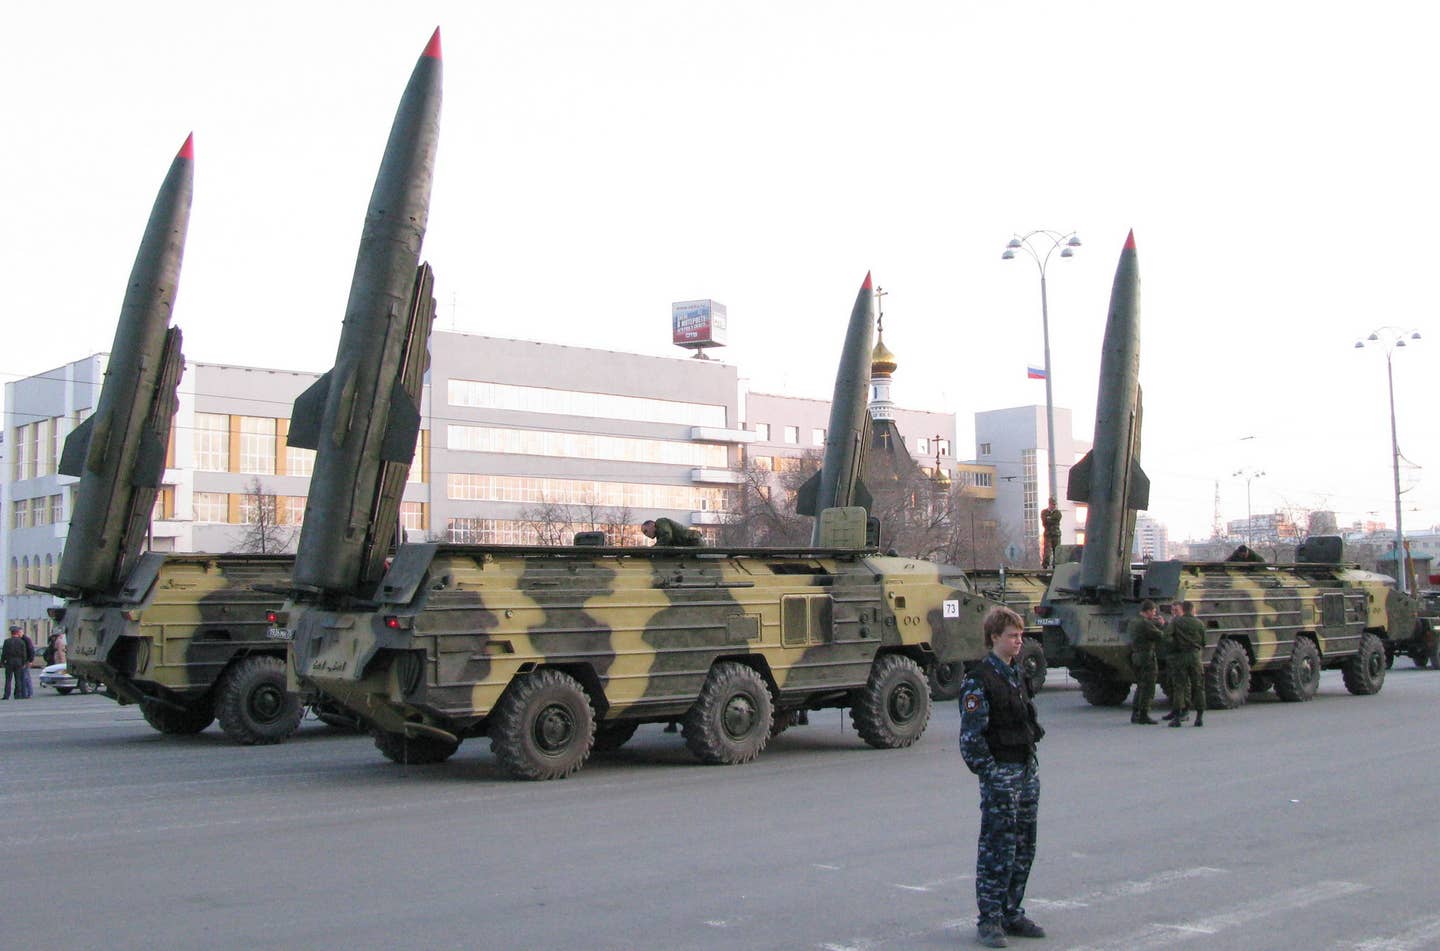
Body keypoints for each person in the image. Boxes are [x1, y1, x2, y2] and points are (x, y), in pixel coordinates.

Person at [959, 606, 1046, 947]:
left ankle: (1012, 911)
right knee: (998, 846)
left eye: (1020, 636)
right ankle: (990, 918)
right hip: (1001, 772)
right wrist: (991, 774)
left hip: (1024, 769)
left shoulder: (1016, 673)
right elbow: (971, 738)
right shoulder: (980, 679)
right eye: (1012, 636)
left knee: (1024, 844)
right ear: (994, 637)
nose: (1018, 642)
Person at [1165, 601, 1207, 727]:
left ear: (1183, 609)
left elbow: (1166, 636)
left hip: (1181, 656)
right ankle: (1199, 717)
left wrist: (1175, 645)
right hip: (1195, 656)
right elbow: (1204, 642)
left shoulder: (1176, 622)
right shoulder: (1199, 623)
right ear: (1192, 609)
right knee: (1198, 686)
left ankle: (1177, 717)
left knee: (1179, 687)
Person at [1126, 601, 1165, 725]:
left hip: (1136, 656)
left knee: (1140, 685)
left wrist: (1153, 622)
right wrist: (1161, 625)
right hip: (1146, 657)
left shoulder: (1134, 621)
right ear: (1148, 611)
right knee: (1148, 686)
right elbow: (1159, 636)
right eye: (1153, 611)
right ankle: (1144, 714)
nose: (1154, 614)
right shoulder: (1145, 623)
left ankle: (1135, 713)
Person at [3, 625, 36, 700]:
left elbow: (4, 653)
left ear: (11, 633)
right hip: (19, 663)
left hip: (9, 662)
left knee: (8, 680)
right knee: (18, 679)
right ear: (17, 633)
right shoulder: (21, 642)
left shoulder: (7, 641)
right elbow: (23, 654)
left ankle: (6, 695)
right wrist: (24, 662)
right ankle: (18, 694)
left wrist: (3, 662)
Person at [1039, 499, 1062, 570]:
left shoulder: (1058, 513)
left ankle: (1056, 566)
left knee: (1057, 551)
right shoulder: (1044, 512)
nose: (1054, 506)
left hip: (1056, 534)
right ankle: (1045, 565)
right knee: (1047, 550)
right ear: (1049, 504)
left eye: (1055, 505)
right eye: (1053, 504)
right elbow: (1044, 521)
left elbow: (1057, 519)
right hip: (1048, 534)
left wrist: (1049, 519)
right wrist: (1050, 519)